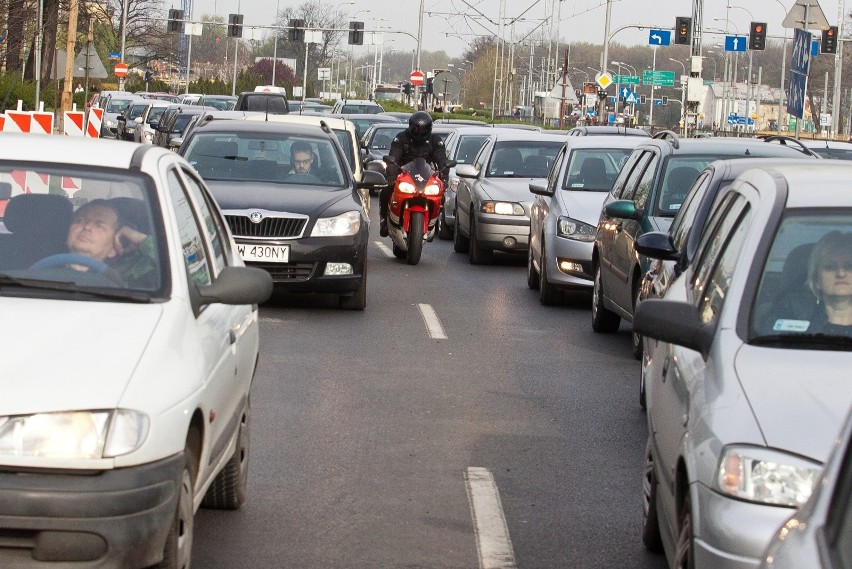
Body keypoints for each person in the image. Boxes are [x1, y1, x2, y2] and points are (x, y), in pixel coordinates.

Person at [379, 111, 448, 237]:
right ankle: (384, 220)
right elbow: (393, 156)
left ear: (429, 129)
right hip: (404, 175)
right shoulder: (401, 138)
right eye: (416, 129)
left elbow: (442, 159)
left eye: (423, 129)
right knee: (386, 192)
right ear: (410, 126)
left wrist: (444, 176)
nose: (420, 133)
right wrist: (392, 175)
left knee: (441, 197)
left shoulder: (435, 140)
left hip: (427, 176)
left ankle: (435, 221)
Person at [64, 199, 157, 288]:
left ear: (113, 249)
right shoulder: (49, 271)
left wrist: (138, 237)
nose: (87, 227)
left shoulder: (124, 278)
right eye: (80, 220)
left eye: (99, 225)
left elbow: (165, 263)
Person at [805, 231, 852, 333]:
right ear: (816, 279)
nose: (841, 274)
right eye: (831, 267)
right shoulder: (798, 318)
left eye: (849, 266)